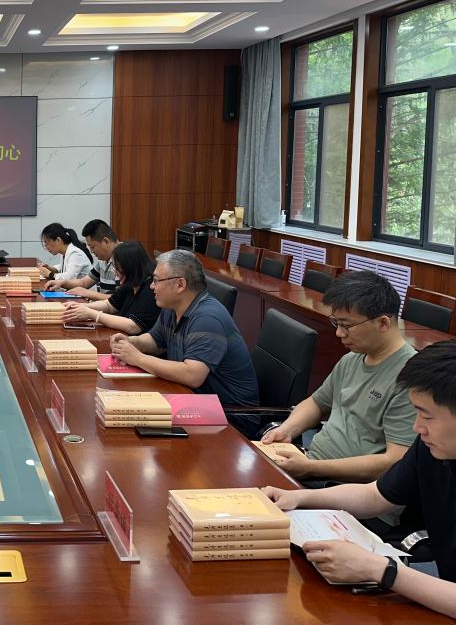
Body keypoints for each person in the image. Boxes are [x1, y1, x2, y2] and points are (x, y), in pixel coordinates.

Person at [262, 341, 456, 619]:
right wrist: (299, 497)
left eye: (426, 415)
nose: (417, 427)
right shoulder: (431, 447)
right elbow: (376, 496)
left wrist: (381, 570)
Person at [260, 270, 416, 486]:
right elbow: (317, 403)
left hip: (345, 488)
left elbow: (394, 462)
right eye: (336, 323)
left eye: (346, 325)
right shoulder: (352, 358)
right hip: (311, 465)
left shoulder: (411, 378)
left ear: (383, 323)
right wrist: (286, 430)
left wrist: (311, 468)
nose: (339, 333)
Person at [109, 249, 258, 408]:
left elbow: (192, 375)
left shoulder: (207, 318)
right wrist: (131, 342)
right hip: (190, 397)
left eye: (156, 280)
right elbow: (155, 341)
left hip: (228, 413)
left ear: (180, 285)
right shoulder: (172, 307)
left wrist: (138, 358)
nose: (152, 286)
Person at [62, 241, 159, 334]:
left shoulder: (150, 288)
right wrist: (83, 307)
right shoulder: (130, 283)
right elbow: (110, 305)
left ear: (130, 267)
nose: (116, 273)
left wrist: (93, 314)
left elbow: (133, 326)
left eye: (118, 268)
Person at [45, 220, 119, 300]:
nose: (91, 251)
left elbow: (120, 299)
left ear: (106, 241)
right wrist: (62, 283)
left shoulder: (123, 258)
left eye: (92, 247)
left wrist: (87, 293)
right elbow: (84, 282)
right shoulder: (103, 260)